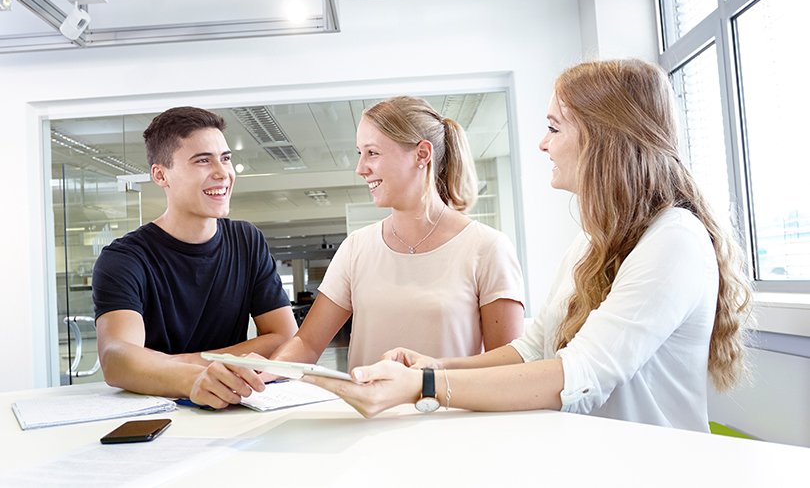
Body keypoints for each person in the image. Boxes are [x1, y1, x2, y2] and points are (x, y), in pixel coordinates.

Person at [303, 60, 754, 432]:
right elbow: (534, 347)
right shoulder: (592, 242)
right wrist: (434, 367)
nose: (543, 144)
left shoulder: (674, 241)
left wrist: (423, 385)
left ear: (603, 137)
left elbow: (579, 375)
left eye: (554, 128)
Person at [271, 96, 526, 370]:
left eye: (372, 153)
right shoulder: (356, 248)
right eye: (360, 153)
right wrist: (264, 371)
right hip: (369, 412)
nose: (360, 168)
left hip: (450, 412)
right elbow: (307, 344)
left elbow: (507, 369)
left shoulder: (487, 248)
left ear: (422, 154)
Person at [92, 106, 298, 409]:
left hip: (235, 407)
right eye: (203, 160)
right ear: (161, 175)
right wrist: (194, 378)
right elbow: (118, 359)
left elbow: (284, 337)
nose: (222, 172)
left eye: (225, 158)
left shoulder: (246, 241)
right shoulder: (124, 259)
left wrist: (180, 363)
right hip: (155, 413)